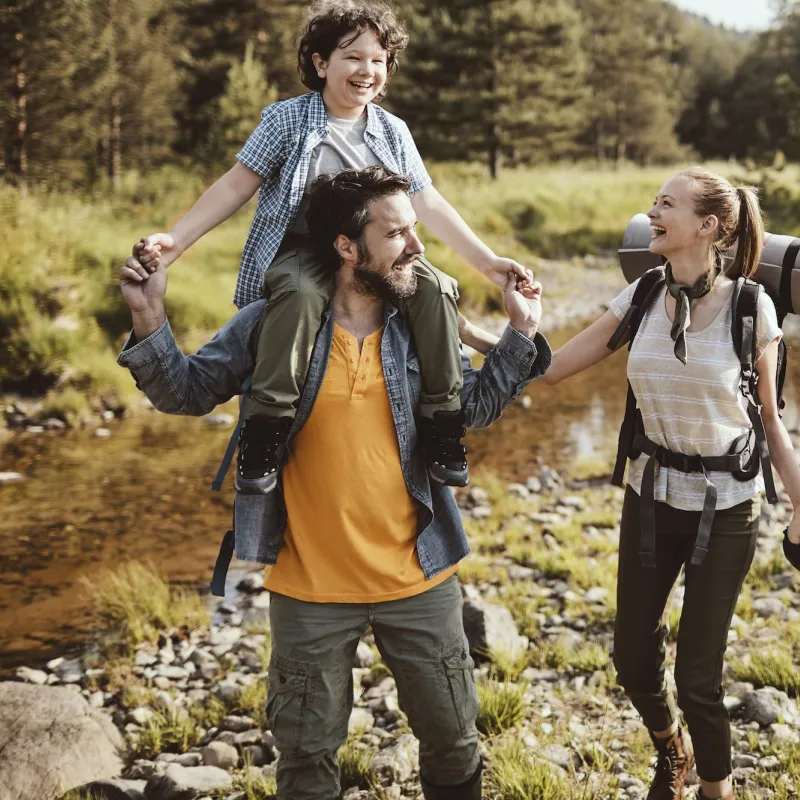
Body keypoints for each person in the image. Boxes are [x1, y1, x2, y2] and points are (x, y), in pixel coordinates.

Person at [118, 165, 551, 800]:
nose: (417, 246)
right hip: (308, 589)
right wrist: (150, 315)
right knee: (305, 762)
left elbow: (475, 410)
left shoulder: (419, 326)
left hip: (420, 578)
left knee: (455, 745)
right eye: (397, 234)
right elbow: (184, 392)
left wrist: (523, 329)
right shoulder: (272, 325)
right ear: (347, 247)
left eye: (413, 230)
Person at [463, 167, 800, 800]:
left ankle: (714, 790)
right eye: (654, 201)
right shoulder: (644, 293)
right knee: (632, 661)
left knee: (700, 676)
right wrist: (471, 329)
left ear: (708, 225)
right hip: (650, 499)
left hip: (726, 509)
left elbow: (773, 424)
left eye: (665, 204)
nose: (651, 213)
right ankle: (672, 748)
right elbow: (556, 369)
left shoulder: (752, 308)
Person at [130, 0, 532, 495]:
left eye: (378, 60)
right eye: (352, 57)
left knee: (436, 286)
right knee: (298, 296)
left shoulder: (392, 130)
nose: (367, 70)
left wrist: (488, 263)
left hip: (379, 254)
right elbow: (235, 186)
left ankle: (443, 423)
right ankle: (266, 430)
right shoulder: (287, 121)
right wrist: (175, 241)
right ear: (321, 63)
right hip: (304, 250)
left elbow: (427, 202)